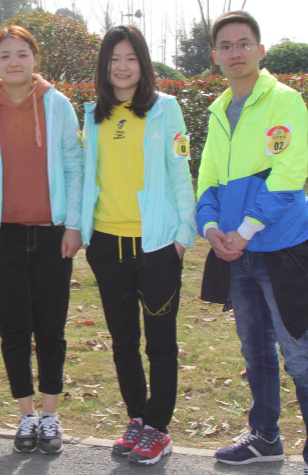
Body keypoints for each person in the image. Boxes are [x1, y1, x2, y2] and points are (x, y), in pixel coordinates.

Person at [196, 11, 308, 475]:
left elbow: (287, 174)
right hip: (237, 253)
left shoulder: (284, 100)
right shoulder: (218, 110)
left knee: (299, 355)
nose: (235, 52)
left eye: (244, 43)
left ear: (260, 50)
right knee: (255, 352)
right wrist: (210, 228)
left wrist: (244, 231)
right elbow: (208, 177)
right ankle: (264, 438)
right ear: (215, 55)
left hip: (281, 249)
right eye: (226, 45)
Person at [0, 25, 82, 454]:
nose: (14, 62)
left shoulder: (57, 104)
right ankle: (26, 414)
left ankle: (50, 415)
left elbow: (74, 167)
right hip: (1, 237)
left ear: (35, 59)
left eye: (22, 53)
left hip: (52, 235)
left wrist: (74, 225)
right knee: (13, 329)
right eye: (5, 55)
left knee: (51, 328)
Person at [80, 25, 196, 466]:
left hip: (157, 246)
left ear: (143, 64)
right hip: (107, 245)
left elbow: (180, 172)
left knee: (160, 342)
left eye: (131, 58)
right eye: (114, 59)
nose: (122, 67)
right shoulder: (93, 114)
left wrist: (183, 237)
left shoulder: (166, 109)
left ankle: (158, 428)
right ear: (104, 66)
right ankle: (137, 418)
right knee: (123, 340)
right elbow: (86, 177)